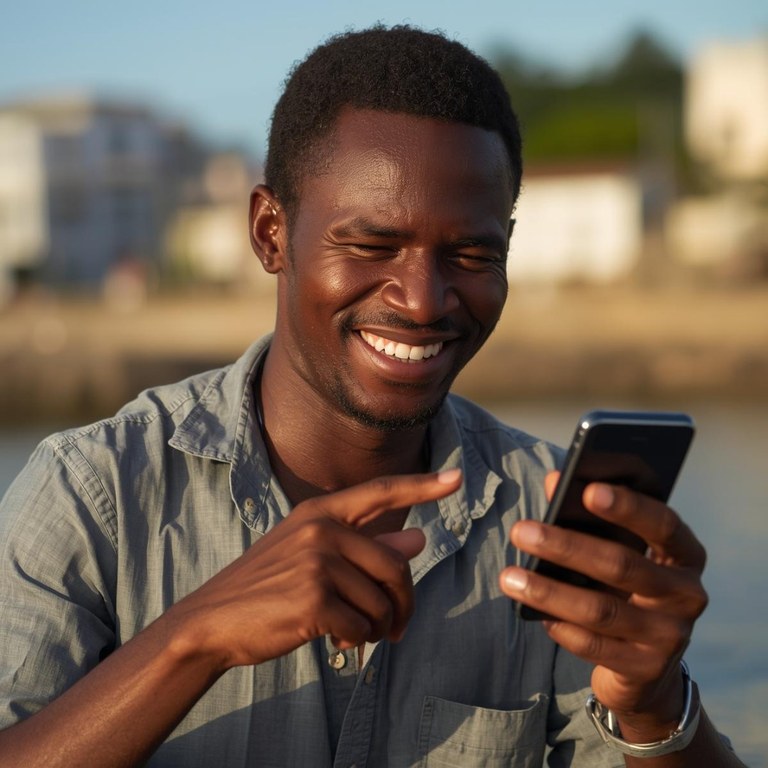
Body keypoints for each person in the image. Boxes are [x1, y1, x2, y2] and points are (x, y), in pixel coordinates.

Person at [0, 25, 746, 768]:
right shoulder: (92, 495)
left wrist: (653, 709)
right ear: (270, 232)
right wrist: (192, 639)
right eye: (370, 245)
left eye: (471, 254)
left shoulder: (547, 524)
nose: (423, 301)